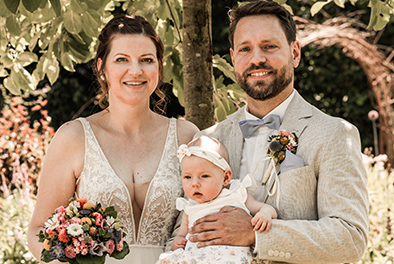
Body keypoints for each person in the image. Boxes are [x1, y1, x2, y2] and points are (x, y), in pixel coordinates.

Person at [193, 1, 369, 263]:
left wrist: (257, 235)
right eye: (245, 49)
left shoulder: (334, 134)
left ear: (295, 53)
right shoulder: (211, 139)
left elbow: (350, 237)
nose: (256, 58)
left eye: (269, 46)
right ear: (233, 58)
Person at [27, 14, 199, 264]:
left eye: (147, 60)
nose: (136, 70)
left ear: (158, 67)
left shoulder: (188, 137)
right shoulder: (74, 137)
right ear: (101, 67)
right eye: (122, 60)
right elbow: (38, 230)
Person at [157, 136, 277, 264]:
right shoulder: (190, 207)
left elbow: (265, 208)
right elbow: (180, 235)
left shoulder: (236, 194)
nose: (195, 184)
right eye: (187, 177)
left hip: (231, 259)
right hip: (197, 258)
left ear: (226, 177)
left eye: (204, 176)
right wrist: (178, 243)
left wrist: (265, 214)